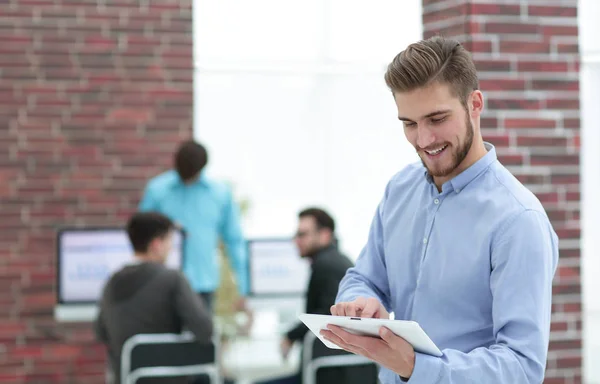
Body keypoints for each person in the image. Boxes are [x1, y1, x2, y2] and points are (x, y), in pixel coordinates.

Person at [322, 36, 559, 384]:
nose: (424, 139)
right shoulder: (399, 190)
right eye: (410, 123)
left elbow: (521, 368)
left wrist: (416, 367)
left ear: (475, 104)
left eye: (437, 118)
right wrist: (360, 302)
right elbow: (365, 276)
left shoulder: (518, 221)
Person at [260, 208, 378, 384]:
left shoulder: (326, 265)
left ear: (324, 235)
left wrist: (290, 336)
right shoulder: (338, 261)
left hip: (332, 371)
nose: (296, 241)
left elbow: (324, 314)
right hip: (342, 369)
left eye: (303, 234)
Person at [94, 212, 213, 384]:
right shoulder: (172, 279)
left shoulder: (111, 282)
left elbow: (100, 332)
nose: (171, 249)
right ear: (156, 245)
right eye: (169, 242)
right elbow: (205, 330)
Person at [138, 140, 248, 311]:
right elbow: (140, 235)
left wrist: (243, 287)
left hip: (202, 284)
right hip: (161, 283)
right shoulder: (157, 190)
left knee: (202, 336)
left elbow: (234, 241)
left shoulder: (220, 194)